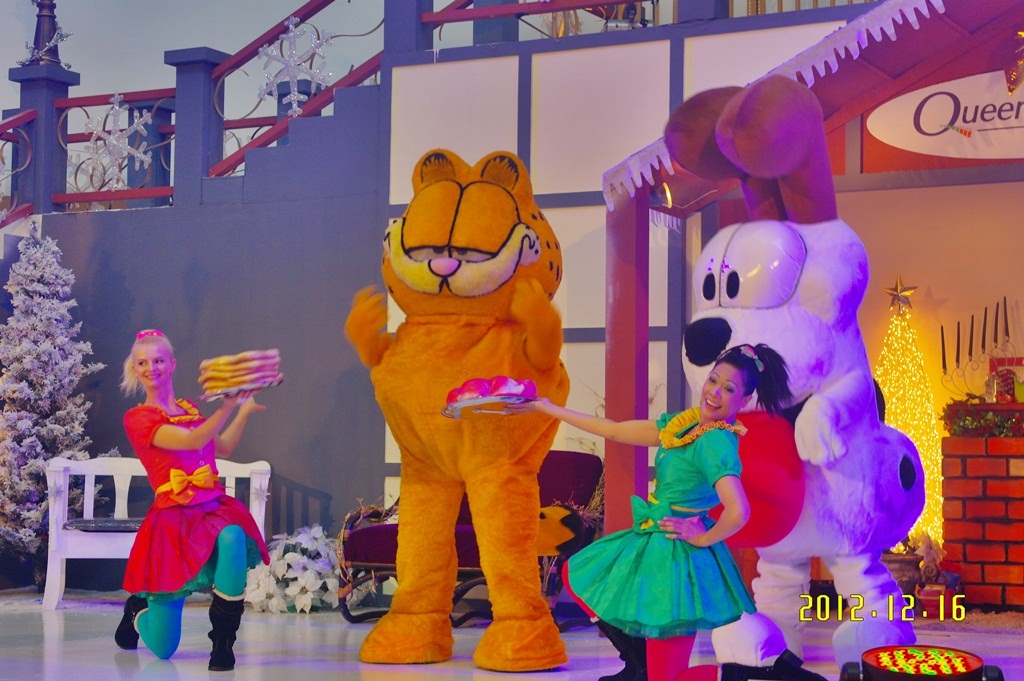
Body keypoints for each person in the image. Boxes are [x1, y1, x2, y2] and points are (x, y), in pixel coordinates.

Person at [509, 343, 792, 681]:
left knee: (667, 678)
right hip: (653, 542)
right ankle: (638, 664)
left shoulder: (714, 441)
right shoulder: (686, 425)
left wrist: (702, 538)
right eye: (713, 380)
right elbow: (613, 429)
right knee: (577, 572)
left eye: (729, 389)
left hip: (675, 558)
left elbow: (738, 511)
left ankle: (772, 676)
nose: (715, 392)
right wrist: (546, 407)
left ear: (744, 400)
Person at [113, 329, 270, 672]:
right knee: (164, 649)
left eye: (158, 360)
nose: (151, 368)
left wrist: (242, 410)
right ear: (135, 369)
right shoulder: (138, 419)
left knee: (232, 535)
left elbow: (221, 447)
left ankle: (223, 645)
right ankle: (137, 611)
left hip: (210, 509)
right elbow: (192, 440)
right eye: (143, 363)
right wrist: (226, 406)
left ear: (172, 364)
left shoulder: (189, 408)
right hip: (172, 521)